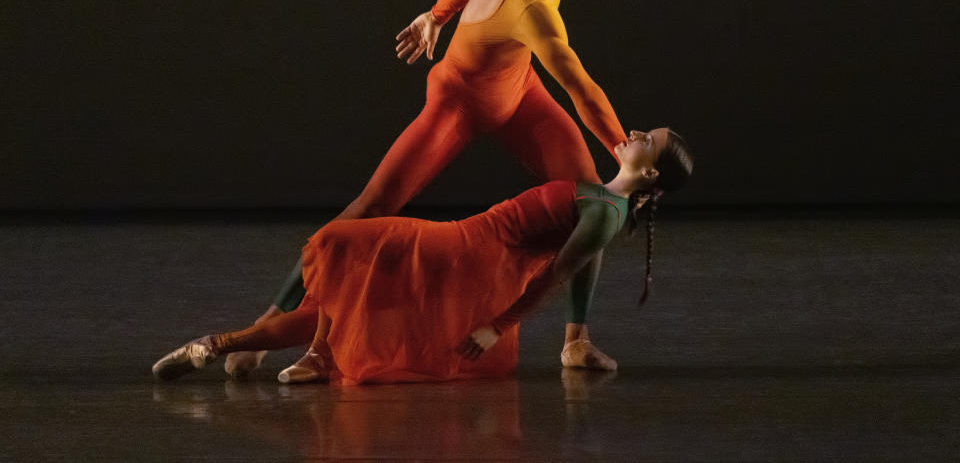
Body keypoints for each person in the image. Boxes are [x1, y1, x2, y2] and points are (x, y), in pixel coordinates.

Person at [226, 0, 628, 378]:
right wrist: (626, 156)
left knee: (594, 202)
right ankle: (267, 325)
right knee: (368, 210)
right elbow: (580, 87)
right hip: (458, 101)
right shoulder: (534, 9)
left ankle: (576, 342)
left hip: (520, 93)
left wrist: (436, 16)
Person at [153, 128, 693, 385]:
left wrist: (496, 328)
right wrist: (577, 338)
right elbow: (577, 262)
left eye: (649, 138)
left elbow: (557, 273)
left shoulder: (604, 214)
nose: (636, 131)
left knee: (339, 242)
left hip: (465, 251)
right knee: (356, 303)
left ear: (649, 173)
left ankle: (294, 352)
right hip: (469, 247)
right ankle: (212, 346)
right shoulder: (601, 199)